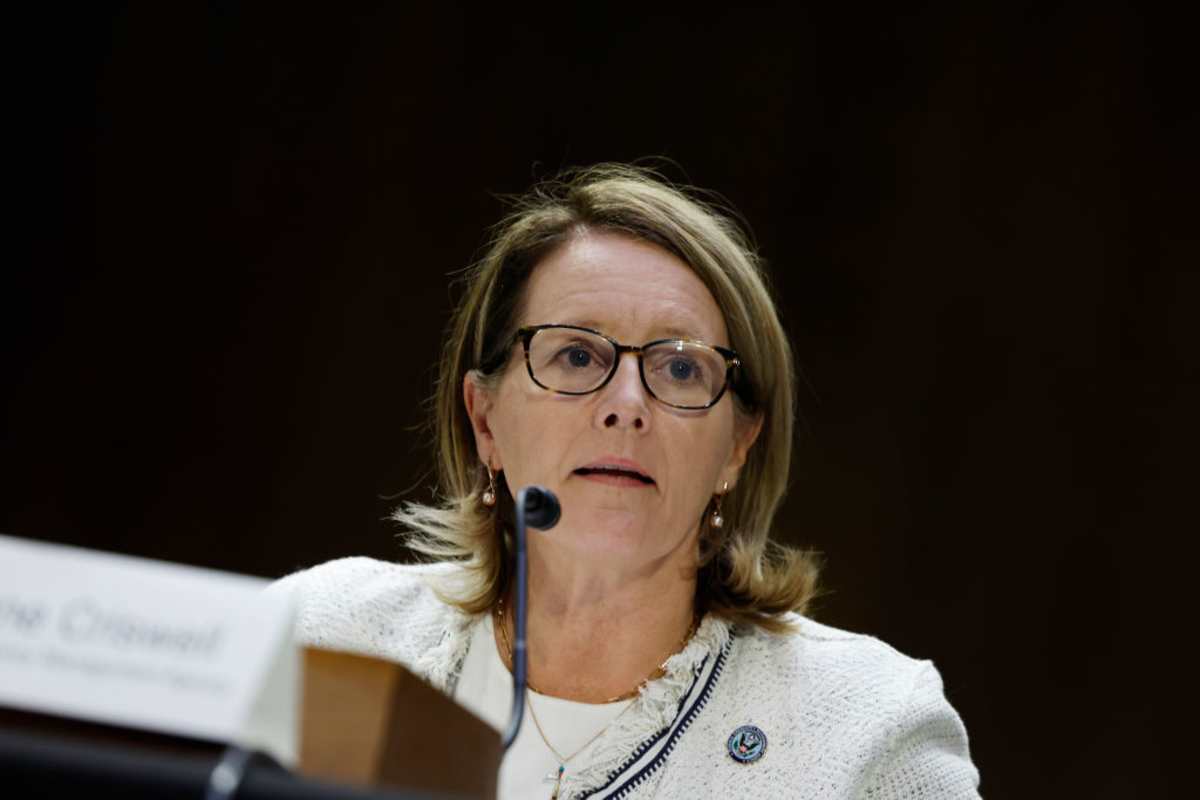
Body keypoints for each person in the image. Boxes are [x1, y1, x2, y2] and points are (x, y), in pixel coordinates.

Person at [271, 164, 982, 799]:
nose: (626, 407)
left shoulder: (865, 724)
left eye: (680, 369)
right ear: (484, 419)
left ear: (738, 446)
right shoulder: (325, 637)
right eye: (577, 355)